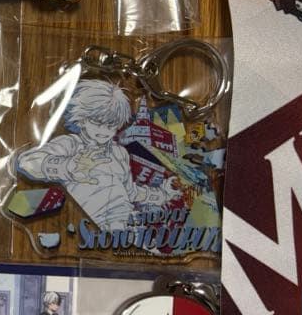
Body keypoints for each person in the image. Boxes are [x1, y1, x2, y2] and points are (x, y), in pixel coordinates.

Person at [17, 79, 181, 231]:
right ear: (81, 120)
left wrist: (163, 194)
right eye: (97, 123)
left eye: (111, 125)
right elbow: (27, 162)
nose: (104, 131)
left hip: (128, 225)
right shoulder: (71, 144)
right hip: (92, 226)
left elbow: (130, 192)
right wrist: (67, 166)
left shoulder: (119, 152)